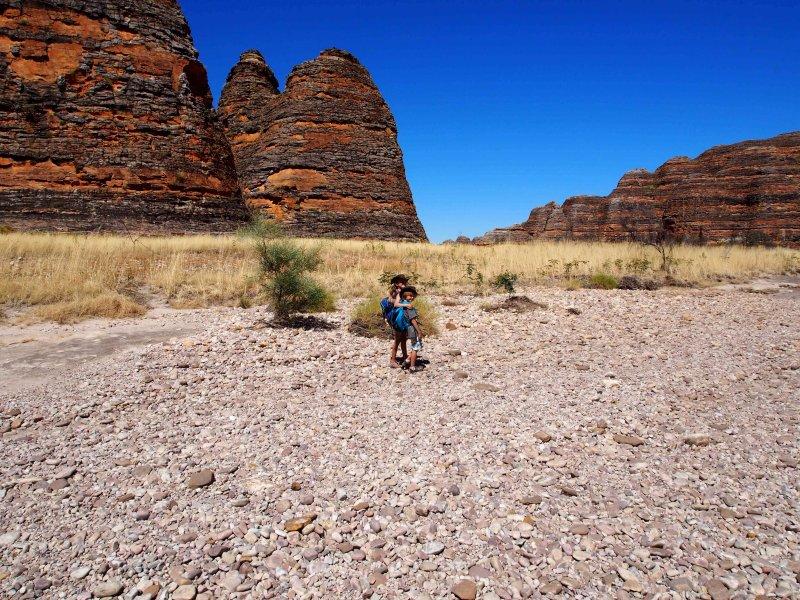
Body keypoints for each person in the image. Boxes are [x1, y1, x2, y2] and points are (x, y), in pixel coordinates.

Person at [382, 274, 409, 368]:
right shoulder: (398, 293)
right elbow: (396, 304)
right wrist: (404, 304)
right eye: (401, 281)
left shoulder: (402, 292)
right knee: (398, 340)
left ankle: (405, 357)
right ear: (397, 283)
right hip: (397, 319)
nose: (404, 283)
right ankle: (393, 360)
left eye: (404, 281)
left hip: (403, 318)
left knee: (404, 339)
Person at [397, 285, 424, 372]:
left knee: (414, 346)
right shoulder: (409, 306)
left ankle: (407, 361)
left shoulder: (403, 304)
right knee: (415, 348)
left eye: (412, 296)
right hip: (413, 329)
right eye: (410, 295)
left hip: (407, 329)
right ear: (405, 296)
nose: (412, 297)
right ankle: (412, 367)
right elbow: (413, 320)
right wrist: (419, 331)